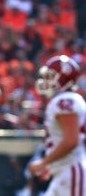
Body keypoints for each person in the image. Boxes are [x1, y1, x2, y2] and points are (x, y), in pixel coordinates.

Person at [28, 55, 85, 195]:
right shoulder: (66, 100)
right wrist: (51, 164)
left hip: (71, 170)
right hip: (64, 171)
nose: (46, 81)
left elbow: (71, 141)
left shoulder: (65, 101)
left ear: (62, 78)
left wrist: (44, 162)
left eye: (50, 76)